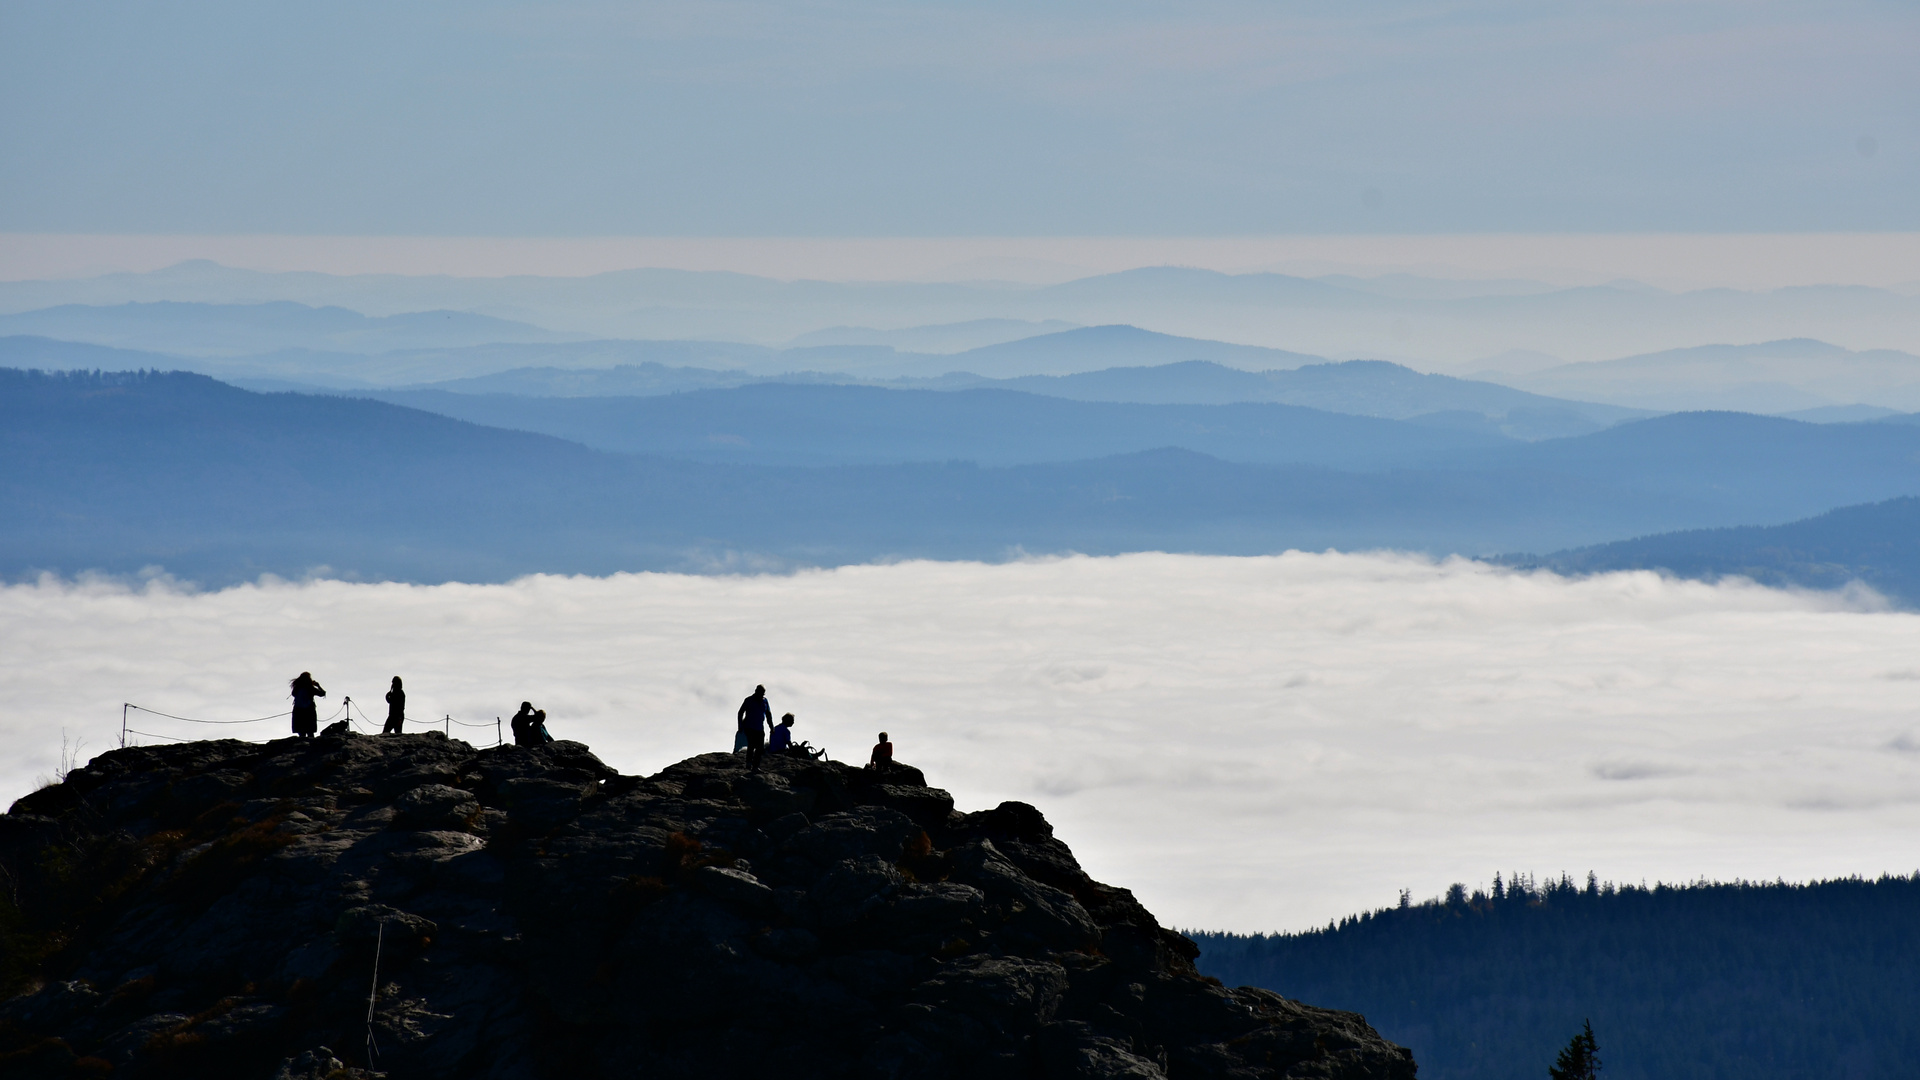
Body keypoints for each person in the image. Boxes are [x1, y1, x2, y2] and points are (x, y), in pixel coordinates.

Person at [736, 685, 772, 770]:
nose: (761, 695)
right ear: (756, 691)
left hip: (760, 727)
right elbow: (740, 712)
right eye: (760, 693)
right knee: (751, 746)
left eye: (763, 694)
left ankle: (756, 766)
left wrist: (771, 726)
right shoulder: (749, 700)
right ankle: (749, 764)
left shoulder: (765, 701)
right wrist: (740, 726)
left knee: (760, 748)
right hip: (749, 727)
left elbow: (768, 714)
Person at [290, 672, 326, 740]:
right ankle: (311, 747)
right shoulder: (310, 688)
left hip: (298, 711)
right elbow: (322, 693)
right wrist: (318, 685)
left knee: (301, 732)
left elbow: (293, 694)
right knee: (310, 732)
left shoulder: (297, 688)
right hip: (309, 711)